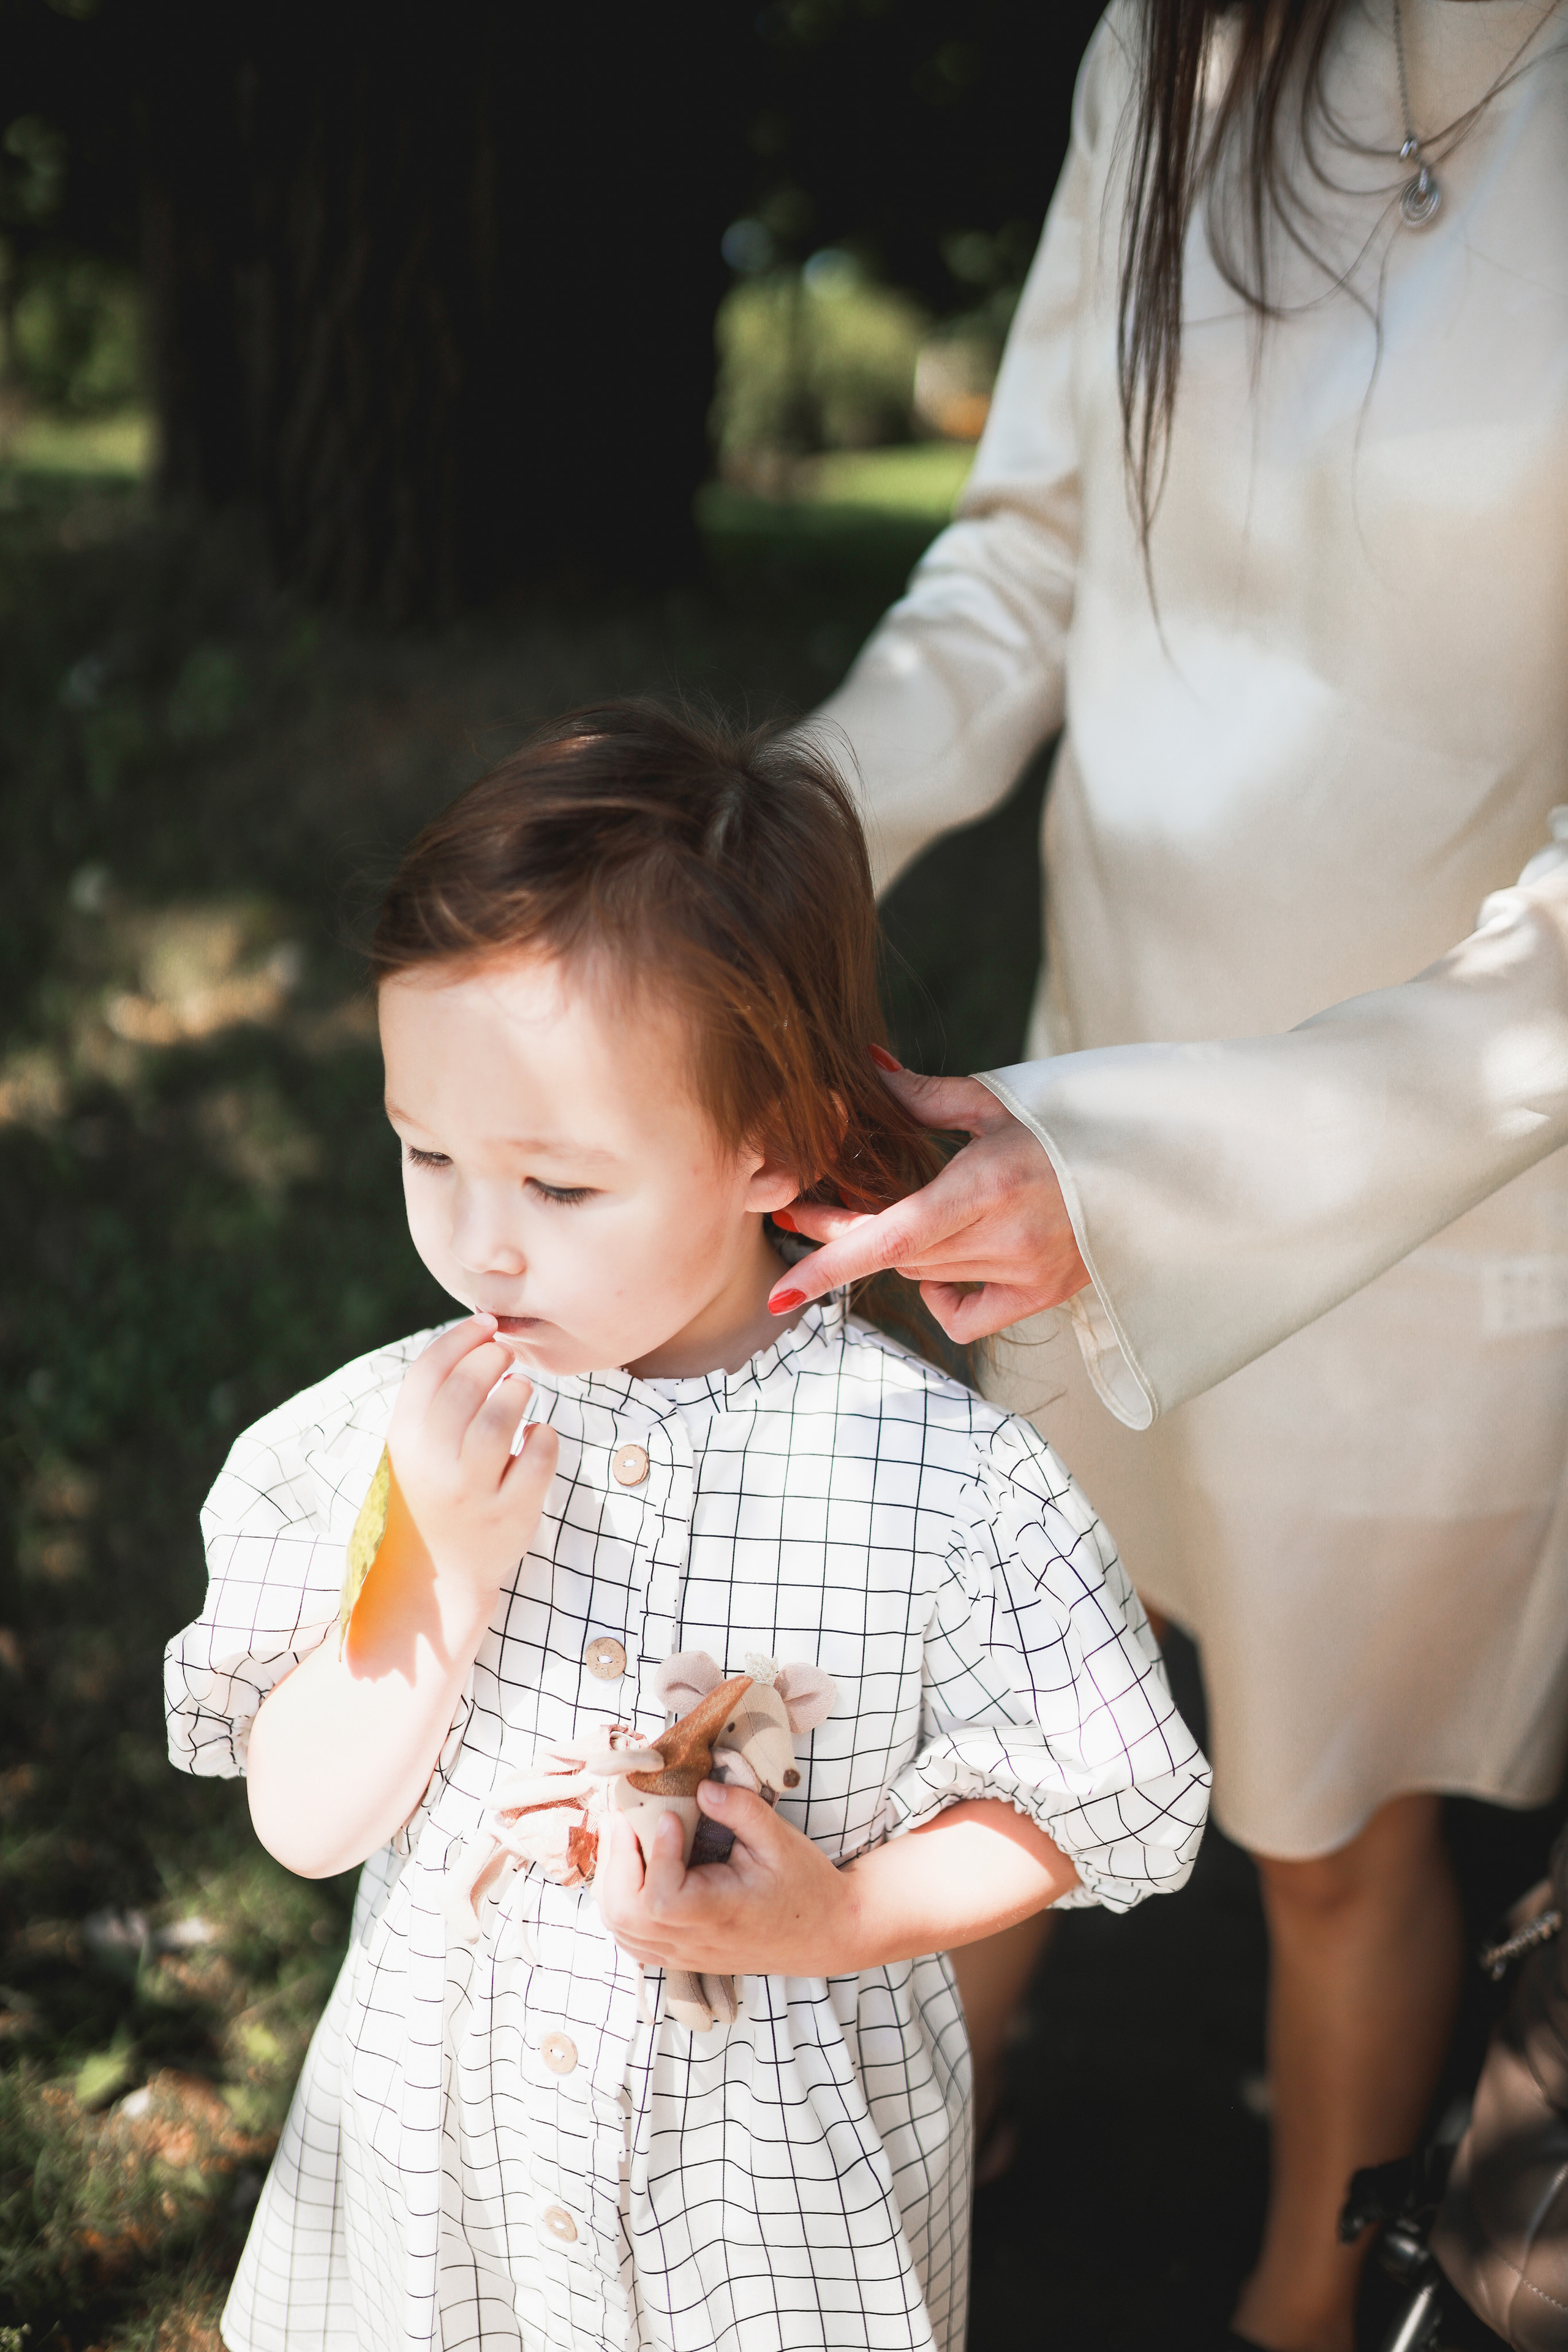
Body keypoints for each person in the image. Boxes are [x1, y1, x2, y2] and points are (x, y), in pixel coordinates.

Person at [768, 1, 1568, 2344]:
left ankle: (1298, 2315)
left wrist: (1137, 1168)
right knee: (1008, 1700)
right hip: (1075, 1085)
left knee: (1331, 1834)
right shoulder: (1185, 41)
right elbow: (1022, 561)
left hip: (1434, 1193)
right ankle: (885, 2193)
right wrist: (755, 852)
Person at [163, 703, 1210, 2352]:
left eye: (559, 1189)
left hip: (772, 2206)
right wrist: (436, 1564)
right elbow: (303, 1820)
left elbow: (1110, 1796)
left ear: (766, 1143)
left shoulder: (939, 1480)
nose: (479, 1248)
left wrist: (852, 1919)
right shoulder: (403, 1434)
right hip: (454, 2192)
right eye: (425, 1154)